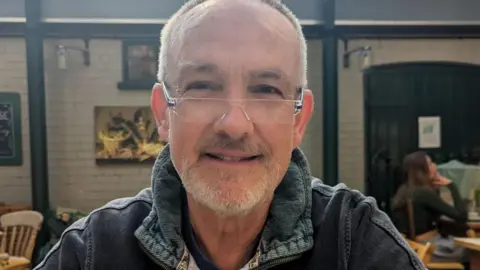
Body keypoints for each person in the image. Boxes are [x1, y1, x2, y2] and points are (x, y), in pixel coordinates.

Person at [34, 0, 423, 269]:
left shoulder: (354, 244)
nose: (234, 124)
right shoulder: (92, 251)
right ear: (162, 114)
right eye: (202, 85)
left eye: (267, 90)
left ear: (299, 120)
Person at [392, 151, 468, 262]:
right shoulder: (423, 193)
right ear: (421, 170)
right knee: (472, 251)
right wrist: (452, 186)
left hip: (414, 247)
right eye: (430, 163)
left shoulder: (404, 190)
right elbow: (461, 216)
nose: (435, 166)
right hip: (431, 248)